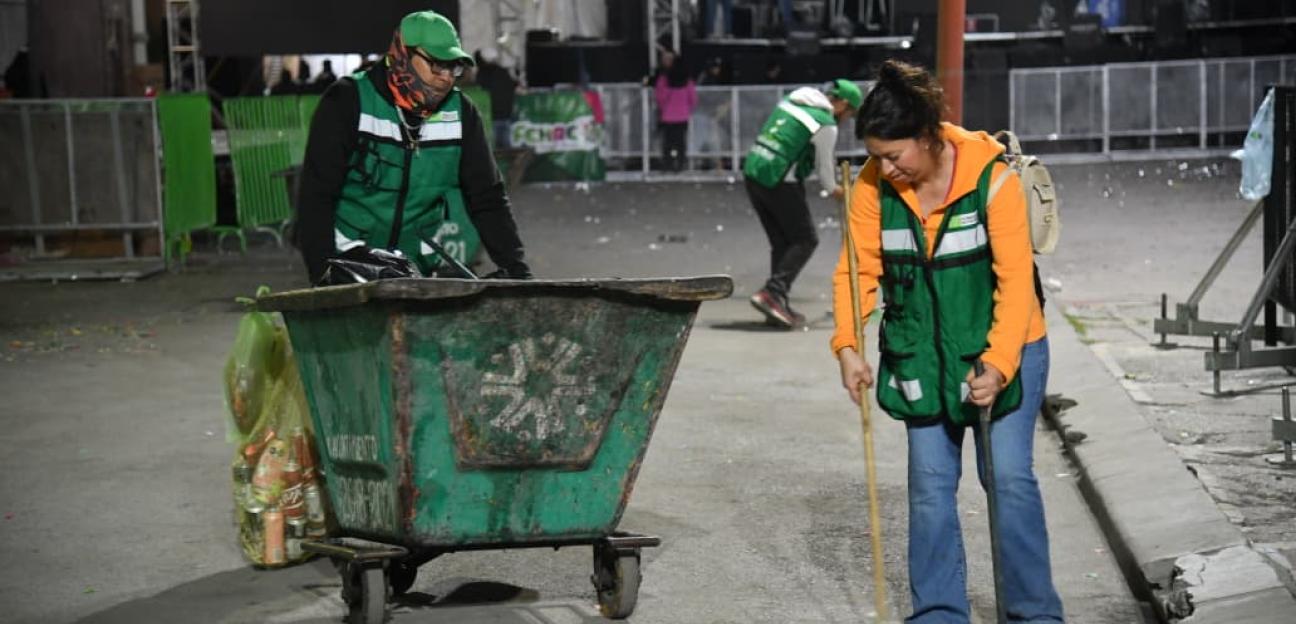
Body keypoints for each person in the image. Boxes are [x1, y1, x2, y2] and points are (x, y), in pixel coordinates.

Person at [832, 60, 1062, 623]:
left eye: (895, 155)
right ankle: (938, 613)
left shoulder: (992, 177)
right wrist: (847, 345)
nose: (886, 169)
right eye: (876, 156)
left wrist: (1000, 365)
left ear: (930, 137)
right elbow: (856, 272)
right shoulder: (870, 186)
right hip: (921, 354)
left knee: (1006, 478)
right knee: (931, 489)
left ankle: (1034, 614)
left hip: (1005, 347)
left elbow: (1015, 286)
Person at [295, 10, 531, 284]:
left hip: (413, 267)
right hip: (347, 259)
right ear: (402, 55)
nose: (445, 77)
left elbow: (487, 197)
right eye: (436, 64)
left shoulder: (461, 113)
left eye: (453, 67)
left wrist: (515, 268)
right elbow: (317, 195)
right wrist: (322, 271)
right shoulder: (347, 101)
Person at [743, 78, 861, 328]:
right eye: (849, 113)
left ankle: (775, 304)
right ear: (842, 104)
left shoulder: (794, 98)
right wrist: (837, 191)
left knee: (783, 242)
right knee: (806, 239)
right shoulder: (825, 124)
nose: (847, 118)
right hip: (779, 179)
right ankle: (772, 293)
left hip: (754, 172)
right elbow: (825, 169)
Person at [653, 50, 697, 172]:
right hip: (682, 116)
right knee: (681, 142)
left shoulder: (664, 80)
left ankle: (668, 165)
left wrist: (663, 109)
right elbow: (693, 99)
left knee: (668, 142)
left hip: (667, 116)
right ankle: (680, 164)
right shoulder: (687, 81)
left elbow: (660, 97)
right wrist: (687, 110)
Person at [473, 47, 518, 149]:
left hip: (491, 118)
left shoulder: (482, 75)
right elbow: (514, 86)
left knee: (494, 152)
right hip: (506, 115)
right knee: (507, 151)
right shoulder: (504, 72)